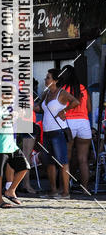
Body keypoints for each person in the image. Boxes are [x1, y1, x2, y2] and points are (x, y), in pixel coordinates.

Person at [40, 67, 79, 199]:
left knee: (62, 161)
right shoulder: (46, 94)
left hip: (58, 131)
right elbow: (41, 109)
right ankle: (53, 190)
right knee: (49, 162)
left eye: (48, 77)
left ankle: (66, 192)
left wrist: (65, 111)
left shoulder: (61, 93)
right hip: (46, 131)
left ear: (55, 80)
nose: (45, 79)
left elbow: (76, 101)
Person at [57, 64, 92, 194]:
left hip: (69, 122)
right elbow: (88, 108)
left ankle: (63, 188)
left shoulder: (63, 89)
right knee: (83, 159)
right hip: (84, 123)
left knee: (65, 158)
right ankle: (85, 189)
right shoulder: (83, 89)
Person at [0, 103, 30, 208]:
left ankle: (11, 190)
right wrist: (9, 117)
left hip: (11, 145)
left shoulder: (8, 108)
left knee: (24, 167)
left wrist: (20, 114)